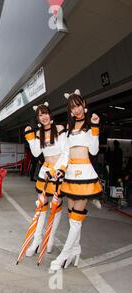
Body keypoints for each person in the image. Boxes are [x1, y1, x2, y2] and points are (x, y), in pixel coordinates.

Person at [50, 89, 102, 272]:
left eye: (78, 105)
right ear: (70, 111)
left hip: (85, 176)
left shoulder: (89, 127)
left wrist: (95, 128)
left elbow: (94, 151)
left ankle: (63, 256)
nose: (77, 109)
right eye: (73, 107)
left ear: (84, 105)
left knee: (76, 220)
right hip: (70, 176)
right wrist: (60, 170)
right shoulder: (69, 131)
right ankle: (76, 250)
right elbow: (65, 154)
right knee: (72, 217)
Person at [23, 103, 66, 257]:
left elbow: (65, 152)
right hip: (45, 172)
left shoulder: (60, 129)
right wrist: (30, 138)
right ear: (38, 118)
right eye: (40, 115)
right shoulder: (39, 133)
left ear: (50, 114)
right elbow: (35, 153)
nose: (44, 117)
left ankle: (50, 237)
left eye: (45, 113)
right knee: (42, 206)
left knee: (56, 206)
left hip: (59, 172)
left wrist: (58, 169)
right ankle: (37, 240)